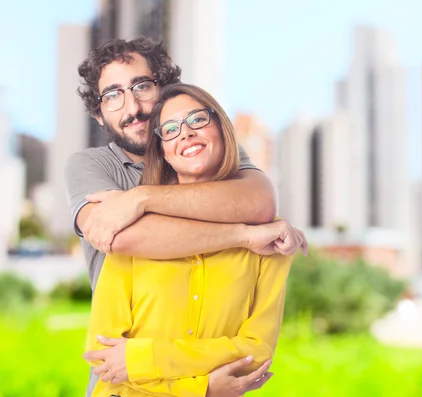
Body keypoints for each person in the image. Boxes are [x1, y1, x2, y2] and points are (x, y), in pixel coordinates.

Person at [65, 37, 307, 396]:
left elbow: (259, 203)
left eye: (142, 86)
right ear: (99, 114)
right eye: (112, 95)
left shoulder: (206, 143)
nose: (132, 105)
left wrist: (140, 199)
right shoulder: (92, 166)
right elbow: (122, 239)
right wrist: (244, 235)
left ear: (163, 91)